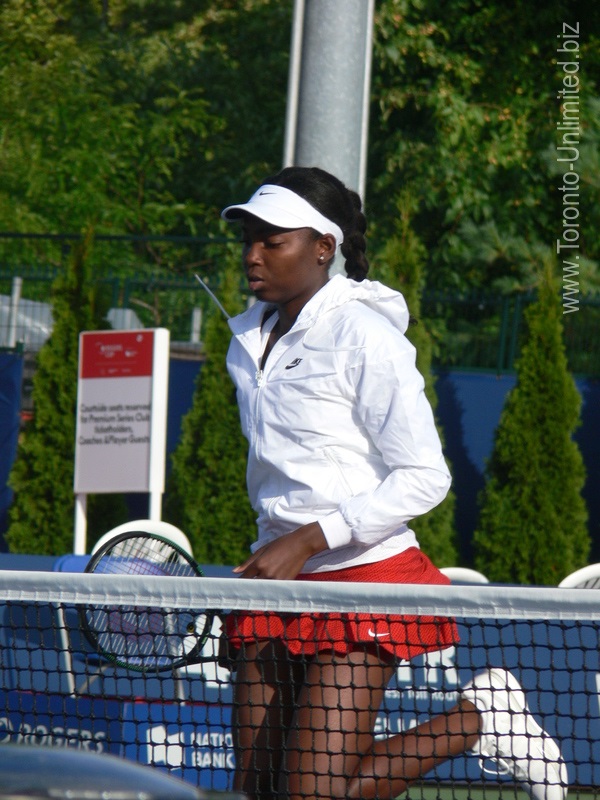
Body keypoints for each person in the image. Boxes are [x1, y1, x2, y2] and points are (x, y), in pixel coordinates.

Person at [220, 166, 567, 800]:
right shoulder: (245, 341)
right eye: (249, 237)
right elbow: (291, 474)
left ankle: (480, 719)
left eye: (274, 239)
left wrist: (309, 538)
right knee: (256, 790)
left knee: (311, 794)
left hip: (362, 575)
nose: (253, 254)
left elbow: (425, 476)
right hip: (276, 584)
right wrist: (275, 551)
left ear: (323, 247)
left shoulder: (366, 336)